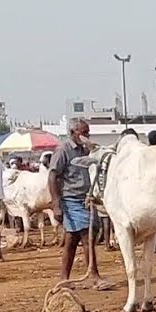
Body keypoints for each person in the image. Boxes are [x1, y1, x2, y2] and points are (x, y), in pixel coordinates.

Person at [48, 119, 104, 286]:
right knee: (87, 237)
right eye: (83, 133)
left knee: (71, 240)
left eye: (88, 133)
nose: (87, 136)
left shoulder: (86, 150)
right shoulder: (63, 150)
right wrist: (56, 204)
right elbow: (52, 176)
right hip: (71, 198)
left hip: (86, 199)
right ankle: (94, 276)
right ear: (73, 133)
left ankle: (64, 278)